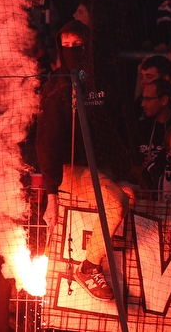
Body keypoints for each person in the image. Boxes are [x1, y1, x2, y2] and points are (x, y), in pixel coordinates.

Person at [37, 20, 131, 301]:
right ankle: (89, 267)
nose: (71, 51)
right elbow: (47, 143)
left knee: (126, 196)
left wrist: (125, 173)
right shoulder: (56, 86)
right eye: (65, 46)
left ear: (87, 47)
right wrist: (51, 194)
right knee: (114, 202)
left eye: (77, 46)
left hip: (103, 165)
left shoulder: (103, 81)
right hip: (68, 169)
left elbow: (118, 129)